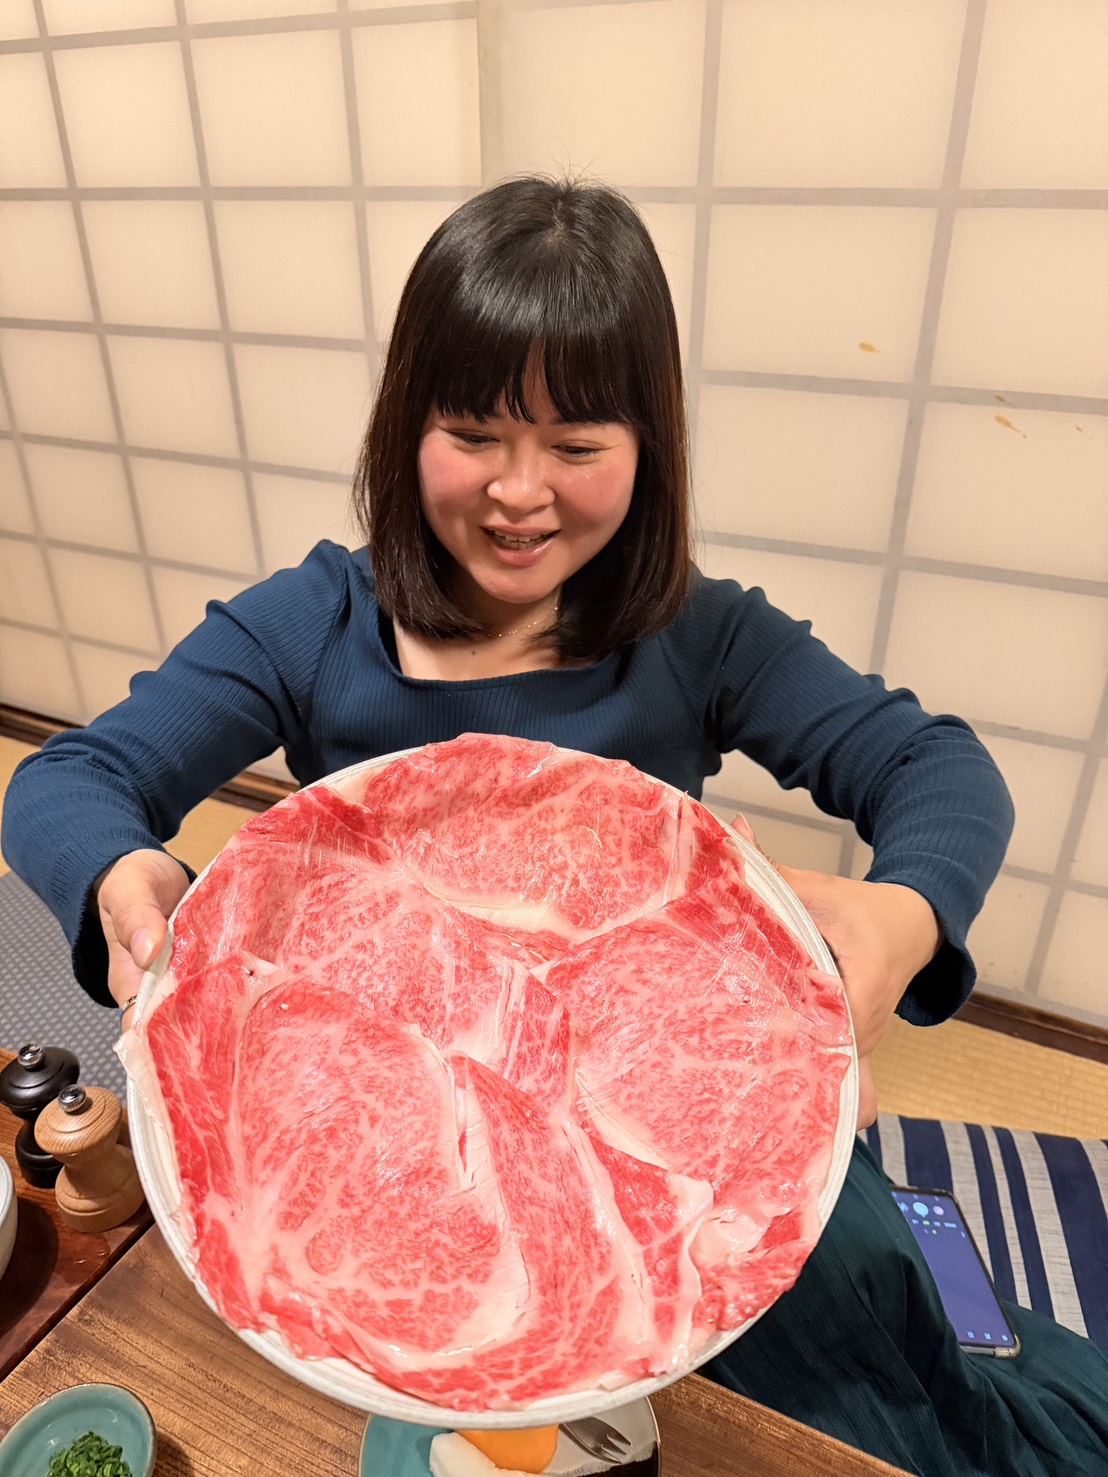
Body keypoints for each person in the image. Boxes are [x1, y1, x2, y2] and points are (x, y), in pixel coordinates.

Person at [3, 177, 1105, 1474]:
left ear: (648, 448)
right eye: (473, 431)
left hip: (669, 1143)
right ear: (403, 424)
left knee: (882, 1375)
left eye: (578, 446)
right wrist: (131, 881)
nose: (522, 492)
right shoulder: (311, 626)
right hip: (403, 1147)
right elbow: (63, 780)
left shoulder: (695, 634)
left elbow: (940, 770)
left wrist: (903, 914)